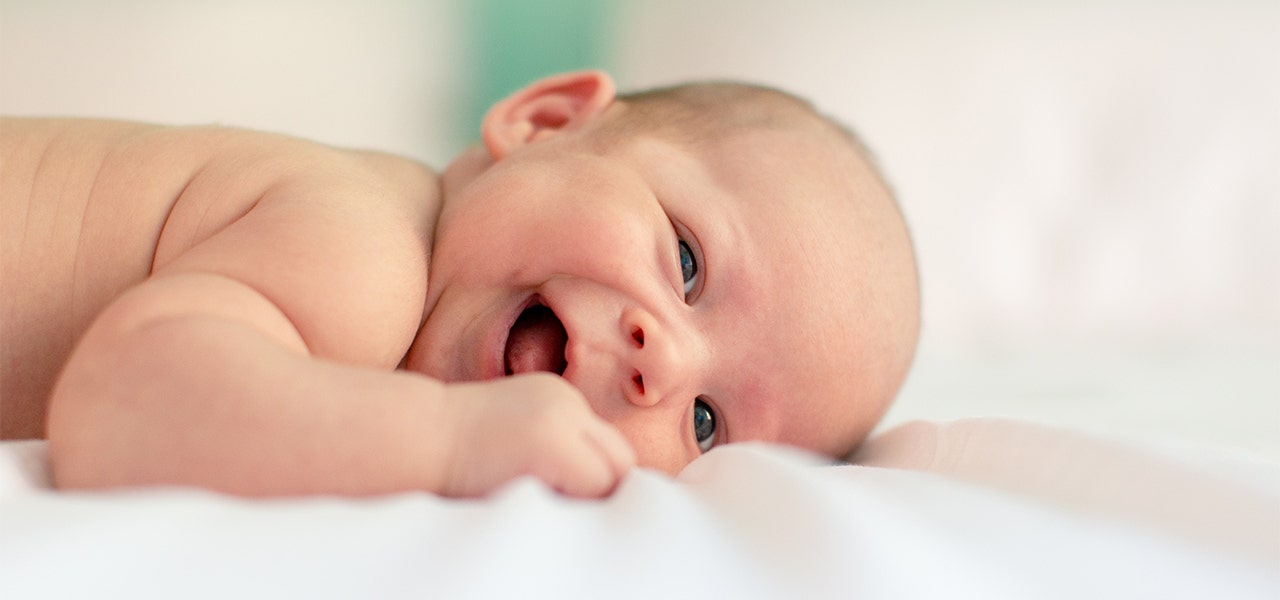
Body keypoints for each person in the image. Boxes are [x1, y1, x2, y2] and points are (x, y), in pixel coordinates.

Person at [0, 70, 919, 498]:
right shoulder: (367, 250)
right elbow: (122, 410)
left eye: (706, 425)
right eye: (685, 261)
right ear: (544, 121)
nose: (661, 365)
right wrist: (444, 441)